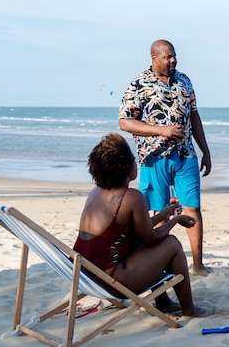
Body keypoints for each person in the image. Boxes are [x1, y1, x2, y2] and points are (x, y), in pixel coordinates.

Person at [73, 133, 212, 318]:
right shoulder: (131, 197)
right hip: (113, 281)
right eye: (132, 158)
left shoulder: (96, 192)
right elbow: (151, 237)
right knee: (171, 244)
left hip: (89, 276)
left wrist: (163, 215)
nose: (136, 161)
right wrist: (176, 220)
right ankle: (189, 310)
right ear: (123, 167)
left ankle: (163, 302)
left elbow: (135, 230)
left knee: (146, 245)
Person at [119, 39, 211, 276]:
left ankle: (198, 266)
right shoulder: (139, 83)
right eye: (168, 57)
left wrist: (206, 151)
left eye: (174, 56)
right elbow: (125, 121)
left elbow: (195, 117)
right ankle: (162, 264)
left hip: (185, 155)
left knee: (193, 210)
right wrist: (162, 130)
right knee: (159, 213)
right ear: (155, 58)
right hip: (153, 157)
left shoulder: (184, 80)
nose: (173, 61)